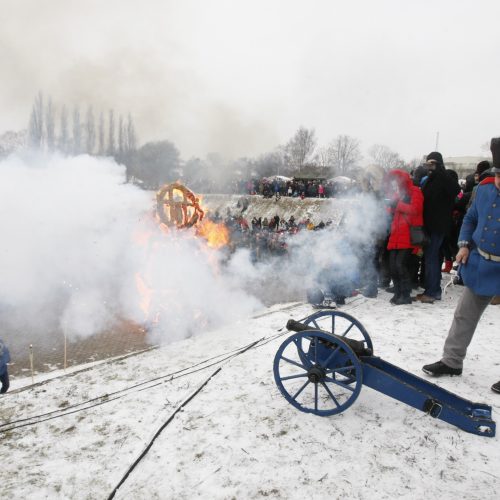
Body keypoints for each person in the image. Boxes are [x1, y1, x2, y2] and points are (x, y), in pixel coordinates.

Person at [422, 137, 500, 394]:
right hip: (481, 264)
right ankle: (452, 361)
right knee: (464, 315)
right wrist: (464, 244)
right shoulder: (485, 189)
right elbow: (471, 218)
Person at [416, 152, 460, 303]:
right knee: (430, 259)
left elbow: (456, 189)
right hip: (429, 225)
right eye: (428, 164)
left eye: (433, 164)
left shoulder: (443, 178)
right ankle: (432, 290)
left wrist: (441, 171)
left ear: (439, 164)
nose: (430, 167)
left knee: (432, 259)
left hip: (438, 226)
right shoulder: (430, 180)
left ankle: (433, 291)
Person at [386, 170, 424, 305]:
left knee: (400, 265)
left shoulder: (415, 191)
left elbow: (416, 209)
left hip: (408, 235)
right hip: (396, 234)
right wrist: (390, 208)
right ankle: (398, 293)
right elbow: (394, 212)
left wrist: (398, 205)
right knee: (393, 267)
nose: (396, 183)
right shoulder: (398, 194)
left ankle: (406, 295)